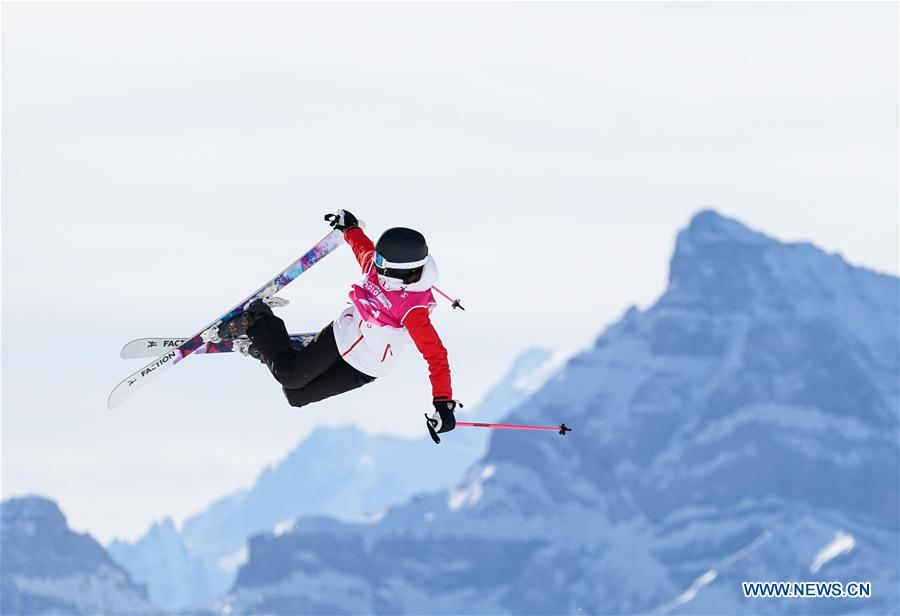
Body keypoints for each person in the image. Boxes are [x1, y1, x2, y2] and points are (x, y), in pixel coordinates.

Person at [217, 209, 459, 442]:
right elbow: (364, 250)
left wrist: (443, 403)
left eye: (381, 259)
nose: (375, 261)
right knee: (289, 376)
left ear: (400, 269)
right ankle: (257, 318)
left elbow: (436, 355)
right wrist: (350, 228)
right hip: (342, 336)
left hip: (366, 365)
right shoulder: (377, 272)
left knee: (295, 395)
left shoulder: (412, 309)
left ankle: (271, 350)